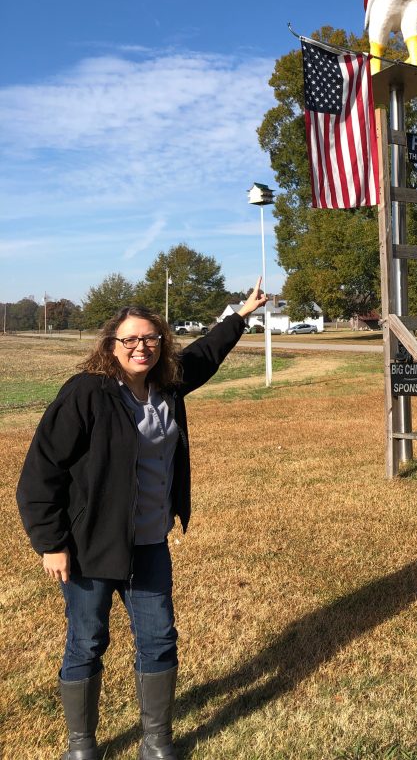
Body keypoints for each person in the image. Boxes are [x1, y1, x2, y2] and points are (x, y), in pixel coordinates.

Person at [16, 280, 267, 760]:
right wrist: (51, 543)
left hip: (150, 542)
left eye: (150, 338)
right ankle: (82, 746)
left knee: (158, 638)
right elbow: (40, 472)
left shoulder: (166, 386)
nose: (141, 346)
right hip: (91, 546)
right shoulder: (86, 393)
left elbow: (206, 355)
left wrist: (241, 315)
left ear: (161, 343)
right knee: (87, 640)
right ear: (111, 345)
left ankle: (156, 741)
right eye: (130, 339)